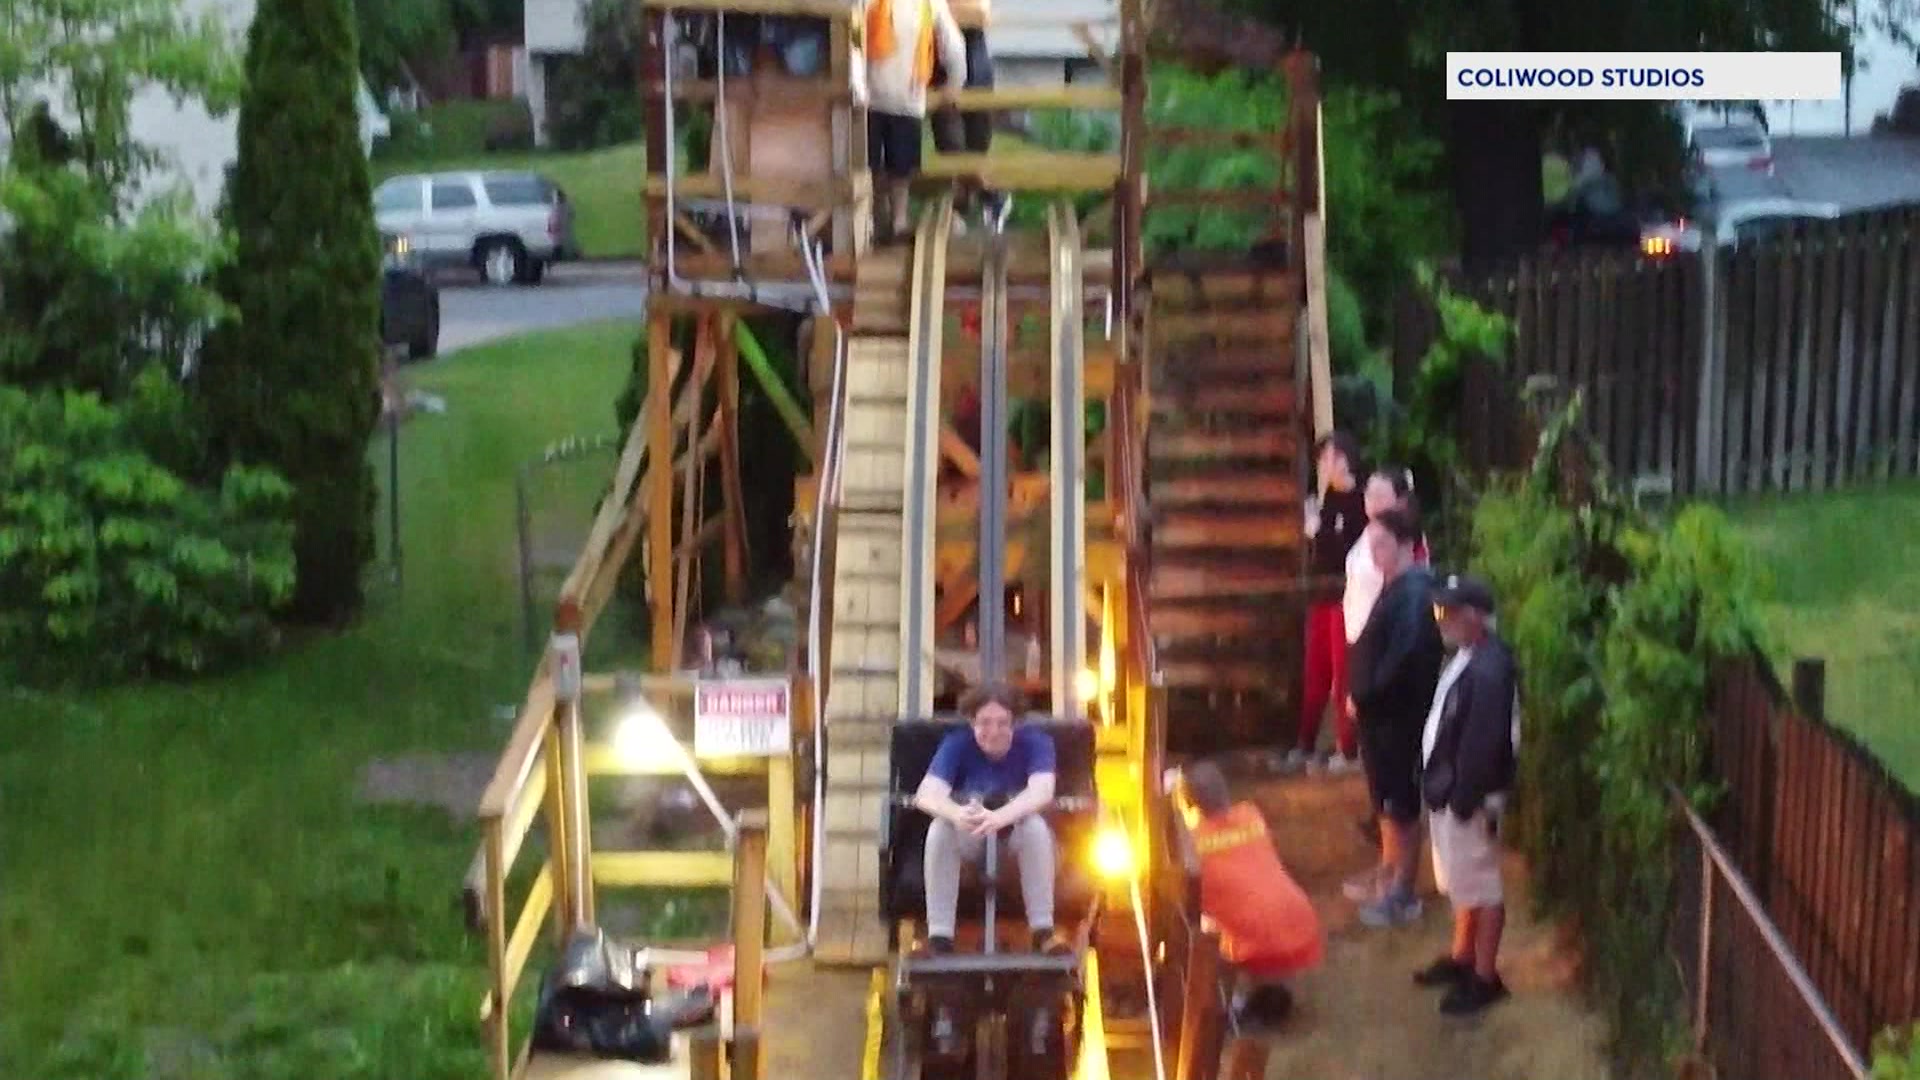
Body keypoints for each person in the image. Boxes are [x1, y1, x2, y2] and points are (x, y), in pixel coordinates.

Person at [1414, 573, 1519, 1015]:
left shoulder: (1489, 670)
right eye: (1440, 611)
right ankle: (1463, 957)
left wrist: (1461, 800)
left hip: (1469, 798)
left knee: (1481, 883)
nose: (1442, 620)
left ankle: (1485, 975)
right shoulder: (1471, 654)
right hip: (1452, 791)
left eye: (1449, 612)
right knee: (1462, 881)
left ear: (1475, 617)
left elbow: (1482, 743)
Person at [912, 681, 1069, 955]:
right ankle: (939, 936)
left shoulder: (1037, 743)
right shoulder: (957, 744)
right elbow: (926, 794)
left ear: (1015, 722)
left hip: (1018, 844)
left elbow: (1042, 790)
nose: (993, 732)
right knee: (940, 829)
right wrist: (957, 813)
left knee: (1034, 827)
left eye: (1002, 723)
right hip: (973, 844)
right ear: (972, 722)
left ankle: (1043, 932)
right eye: (984, 723)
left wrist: (999, 817)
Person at [1345, 507, 1444, 928]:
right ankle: (1389, 877)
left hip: (1397, 719)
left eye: (1383, 545)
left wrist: (1366, 695)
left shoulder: (1415, 594)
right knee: (1386, 802)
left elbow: (1402, 660)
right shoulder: (1396, 588)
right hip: (1379, 717)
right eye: (1372, 546)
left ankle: (1403, 892)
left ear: (1406, 546)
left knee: (1402, 804)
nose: (1376, 553)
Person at [1178, 761, 1323, 1026]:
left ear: (1189, 804)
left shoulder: (1193, 846)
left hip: (1259, 943)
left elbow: (1184, 867)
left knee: (1200, 928)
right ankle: (1271, 994)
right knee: (1245, 912)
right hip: (1300, 923)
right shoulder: (1250, 814)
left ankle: (1232, 1006)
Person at [1291, 431, 1368, 773]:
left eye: (1329, 458)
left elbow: (1348, 550)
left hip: (1347, 598)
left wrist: (1318, 531)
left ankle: (1347, 749)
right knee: (1315, 670)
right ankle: (1304, 744)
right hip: (1322, 595)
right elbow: (1325, 548)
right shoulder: (1331, 498)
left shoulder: (1361, 501)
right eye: (1321, 459)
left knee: (1342, 673)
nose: (1324, 465)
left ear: (1345, 460)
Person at [862, 0, 967, 242]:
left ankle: (898, 221)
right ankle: (875, 218)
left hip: (908, 99)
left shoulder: (930, 3)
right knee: (869, 166)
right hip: (869, 98)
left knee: (902, 168)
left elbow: (952, 45)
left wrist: (954, 82)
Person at [928, 0, 1006, 232]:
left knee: (976, 146)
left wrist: (939, 10)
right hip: (943, 65)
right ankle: (989, 198)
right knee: (950, 145)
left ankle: (973, 203)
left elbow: (981, 15)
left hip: (974, 63)